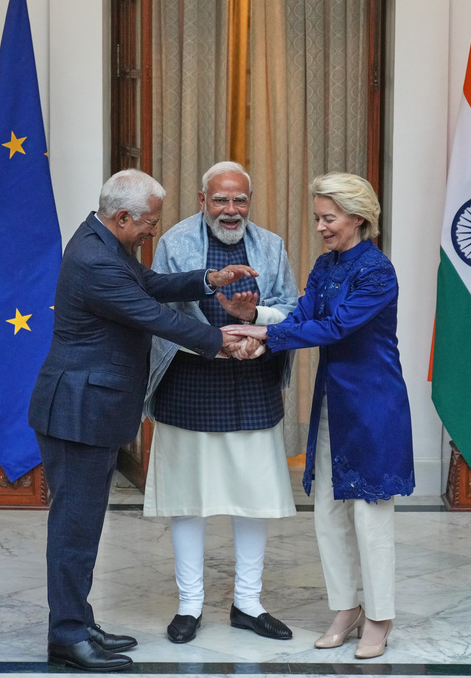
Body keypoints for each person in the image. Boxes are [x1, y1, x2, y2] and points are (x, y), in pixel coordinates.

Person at [28, 169, 255, 672]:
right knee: (74, 529)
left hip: (89, 408)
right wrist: (222, 341)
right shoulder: (94, 260)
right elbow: (153, 314)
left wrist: (208, 278)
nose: (154, 230)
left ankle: (79, 622)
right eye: (150, 223)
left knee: (82, 527)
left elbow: (149, 284)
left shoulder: (104, 239)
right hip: (78, 411)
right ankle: (67, 635)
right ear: (123, 216)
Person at [223, 172, 415, 660]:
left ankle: (380, 616)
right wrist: (253, 325)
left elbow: (334, 326)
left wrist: (264, 340)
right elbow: (300, 314)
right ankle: (345, 608)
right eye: (318, 218)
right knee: (329, 513)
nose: (322, 227)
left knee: (371, 517)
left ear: (358, 217)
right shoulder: (325, 265)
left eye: (329, 218)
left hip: (372, 406)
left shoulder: (377, 271)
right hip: (332, 402)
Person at [143, 161, 300, 644]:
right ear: (202, 200)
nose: (230, 210)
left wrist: (255, 325)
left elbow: (292, 308)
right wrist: (216, 340)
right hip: (189, 381)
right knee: (187, 499)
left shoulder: (270, 245)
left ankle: (247, 604)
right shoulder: (174, 242)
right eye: (220, 200)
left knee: (253, 497)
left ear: (249, 203)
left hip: (252, 382)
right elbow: (161, 311)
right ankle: (189, 606)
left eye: (240, 200)